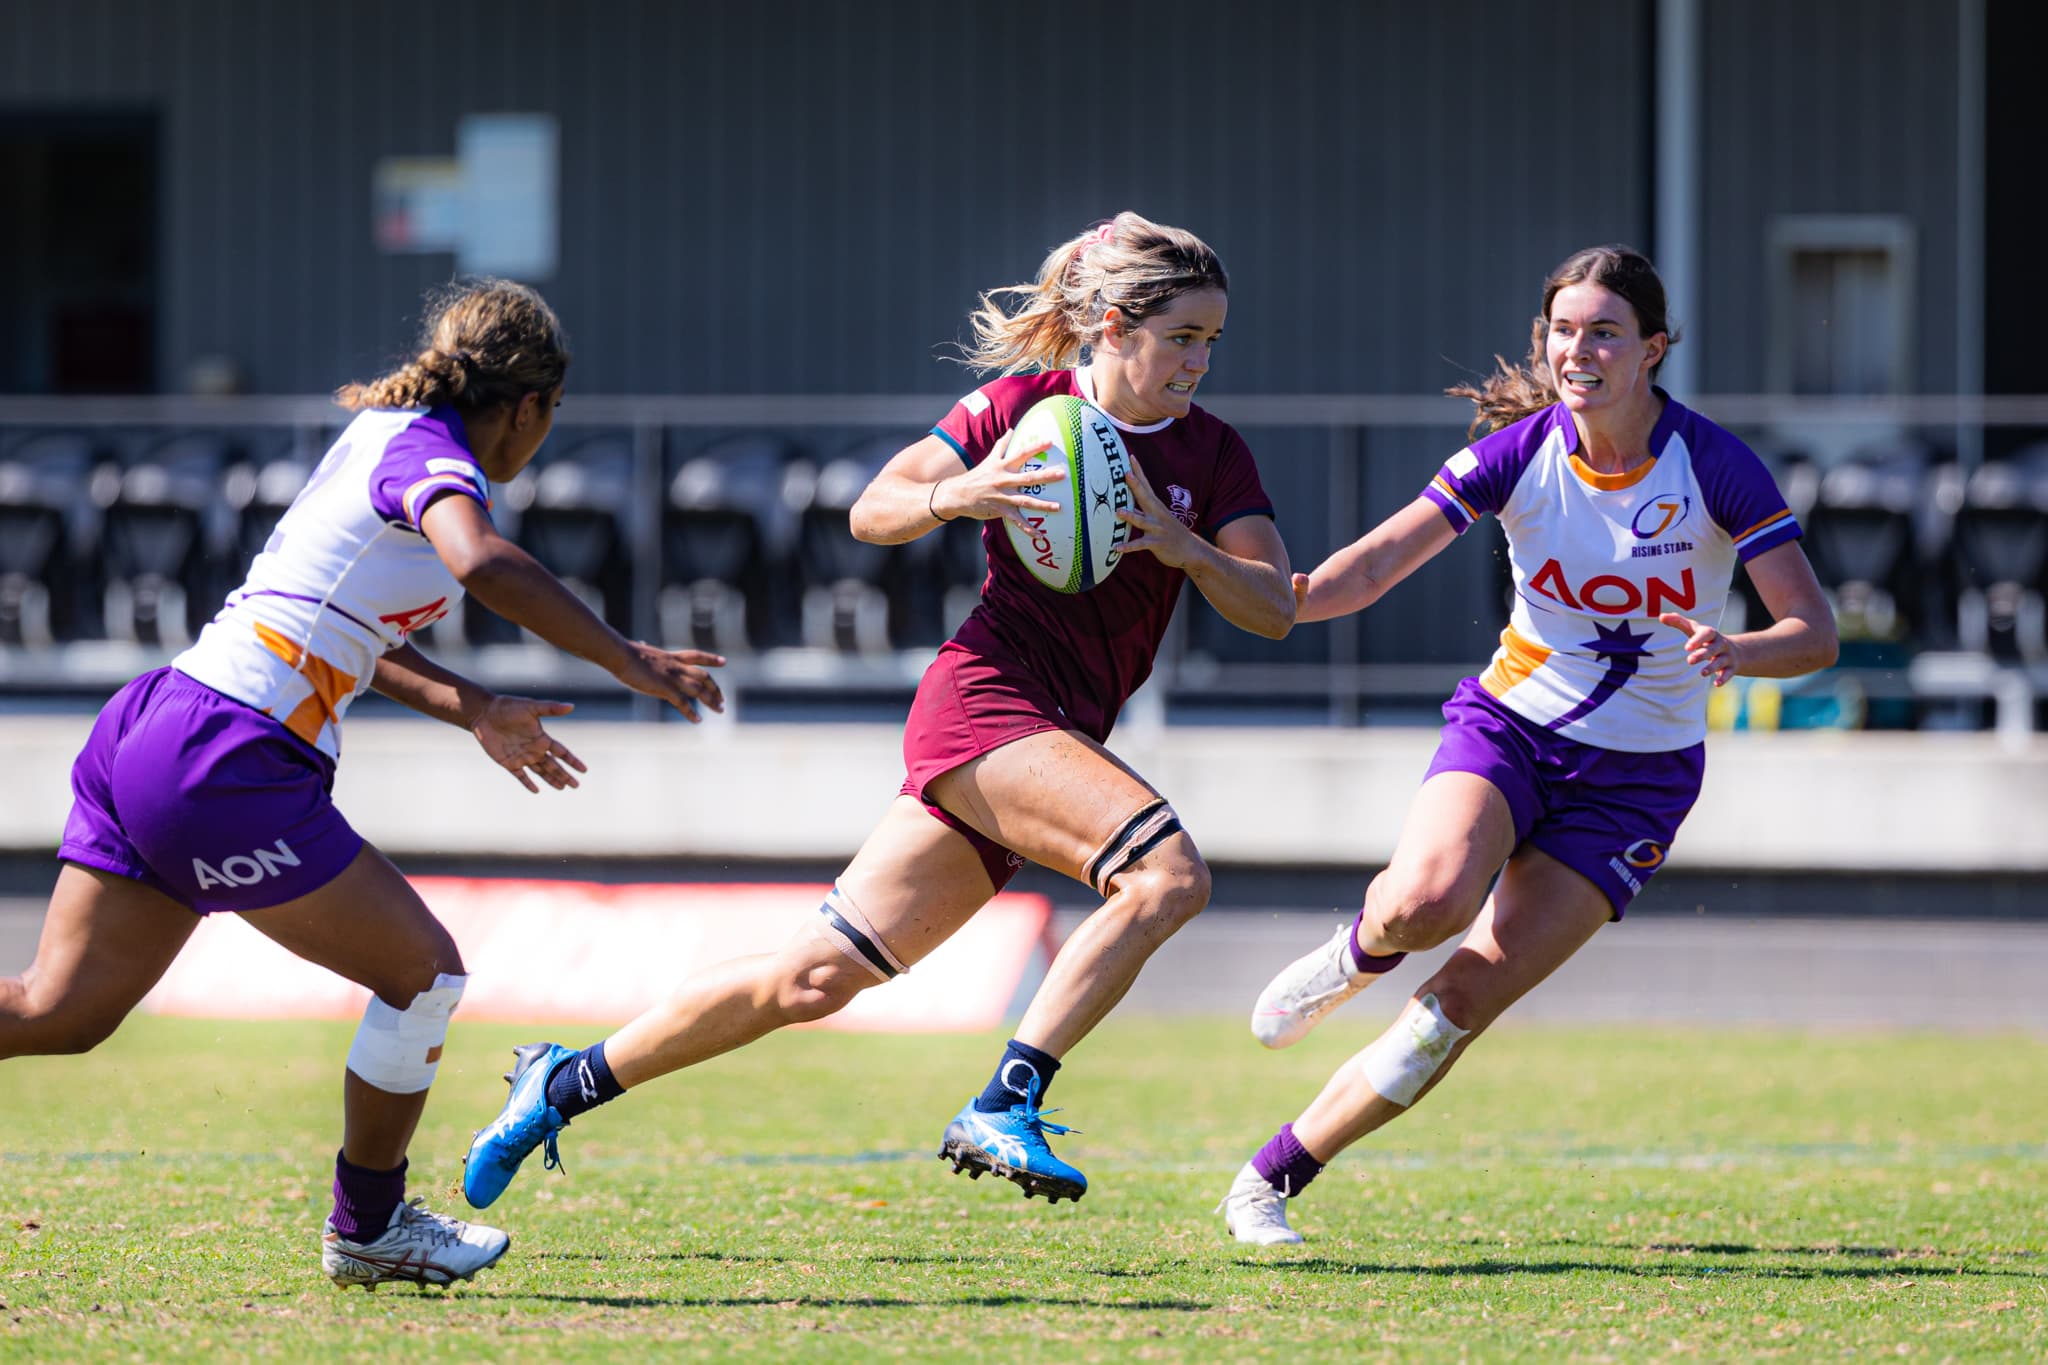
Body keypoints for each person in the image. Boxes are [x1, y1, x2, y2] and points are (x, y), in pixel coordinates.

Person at [463, 211, 1294, 1210]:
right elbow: (872, 510)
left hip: (1057, 735)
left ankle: (560, 1082)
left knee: (808, 982)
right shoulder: (1022, 404)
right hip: (988, 701)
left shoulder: (1212, 455)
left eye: (1210, 341)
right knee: (1165, 877)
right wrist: (964, 494)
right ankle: (1007, 1099)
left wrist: (1184, 548)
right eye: (1180, 339)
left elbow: (1273, 607)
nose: (1198, 362)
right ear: (1112, 328)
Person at [0, 279, 725, 1288]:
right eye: (549, 419)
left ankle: (372, 1226)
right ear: (528, 408)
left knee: (53, 1014)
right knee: (423, 975)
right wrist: (625, 659)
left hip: (161, 723)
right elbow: (482, 564)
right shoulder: (433, 457)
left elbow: (344, 635)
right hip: (226, 754)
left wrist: (471, 702)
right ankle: (369, 1227)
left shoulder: (386, 433)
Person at [1216, 245, 1839, 1244]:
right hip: (1511, 729)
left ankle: (1268, 1181)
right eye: (1561, 330)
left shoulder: (1713, 465)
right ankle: (1358, 951)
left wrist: (1737, 648)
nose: (1577, 349)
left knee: (1463, 996)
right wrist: (1229, 579)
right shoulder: (1517, 454)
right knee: (1424, 905)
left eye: (1603, 332)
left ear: (1651, 351)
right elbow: (1368, 566)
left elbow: (1813, 633)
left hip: (1637, 784)